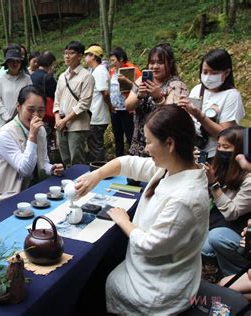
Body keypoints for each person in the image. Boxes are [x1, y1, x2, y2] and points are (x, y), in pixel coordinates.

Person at [75, 105, 209, 314]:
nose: (145, 148)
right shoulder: (173, 167)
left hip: (158, 290)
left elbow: (149, 245)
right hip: (156, 269)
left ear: (170, 144)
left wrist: (124, 221)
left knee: (88, 284)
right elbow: (129, 163)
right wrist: (97, 175)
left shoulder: (185, 198)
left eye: (148, 142)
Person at [0, 85, 64, 203]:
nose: (35, 115)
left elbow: (43, 162)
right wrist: (32, 136)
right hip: (10, 198)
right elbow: (25, 170)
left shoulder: (40, 130)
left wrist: (51, 168)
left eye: (41, 110)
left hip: (35, 191)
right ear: (19, 107)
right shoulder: (6, 134)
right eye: (30, 110)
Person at [201, 127, 251, 276]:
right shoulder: (221, 167)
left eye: (226, 147)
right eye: (219, 146)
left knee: (214, 240)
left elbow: (231, 213)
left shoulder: (248, 178)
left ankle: (236, 275)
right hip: (217, 221)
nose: (221, 150)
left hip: (236, 230)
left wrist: (213, 185)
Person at [178, 48, 245, 159]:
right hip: (195, 152)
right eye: (205, 72)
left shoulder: (232, 96)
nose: (208, 77)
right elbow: (192, 122)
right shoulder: (197, 89)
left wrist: (199, 115)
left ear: (227, 72)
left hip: (216, 155)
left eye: (214, 73)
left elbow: (224, 135)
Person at [126, 43, 188, 157]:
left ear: (170, 63)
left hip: (162, 147)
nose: (155, 66)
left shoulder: (176, 85)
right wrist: (139, 95)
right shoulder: (142, 81)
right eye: (152, 62)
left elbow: (175, 116)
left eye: (160, 62)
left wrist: (158, 98)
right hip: (139, 144)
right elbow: (128, 106)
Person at [53, 41, 93, 167]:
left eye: (71, 53)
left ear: (80, 56)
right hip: (61, 125)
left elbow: (84, 104)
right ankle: (68, 184)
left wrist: (64, 121)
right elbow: (57, 100)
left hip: (77, 125)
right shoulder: (62, 76)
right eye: (65, 53)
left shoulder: (86, 76)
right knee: (65, 158)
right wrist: (58, 119)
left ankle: (79, 185)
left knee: (77, 159)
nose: (67, 56)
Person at [108, 47, 141, 157]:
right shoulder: (112, 71)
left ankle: (133, 158)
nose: (112, 63)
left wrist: (126, 81)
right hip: (115, 109)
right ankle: (119, 158)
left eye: (113, 60)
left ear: (121, 59)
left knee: (130, 135)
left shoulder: (132, 70)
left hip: (128, 109)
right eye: (111, 61)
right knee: (117, 136)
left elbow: (140, 88)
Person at [84, 45, 113, 162]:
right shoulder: (95, 71)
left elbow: (104, 93)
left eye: (87, 55)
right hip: (95, 114)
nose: (85, 57)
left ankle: (99, 168)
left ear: (93, 56)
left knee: (96, 145)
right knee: (94, 144)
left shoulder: (100, 71)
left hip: (97, 115)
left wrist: (110, 106)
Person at [0, 48, 32, 128]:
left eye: (17, 61)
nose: (15, 64)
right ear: (7, 63)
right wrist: (7, 117)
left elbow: (31, 98)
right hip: (5, 122)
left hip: (23, 121)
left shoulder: (27, 79)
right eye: (11, 61)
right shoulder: (0, 80)